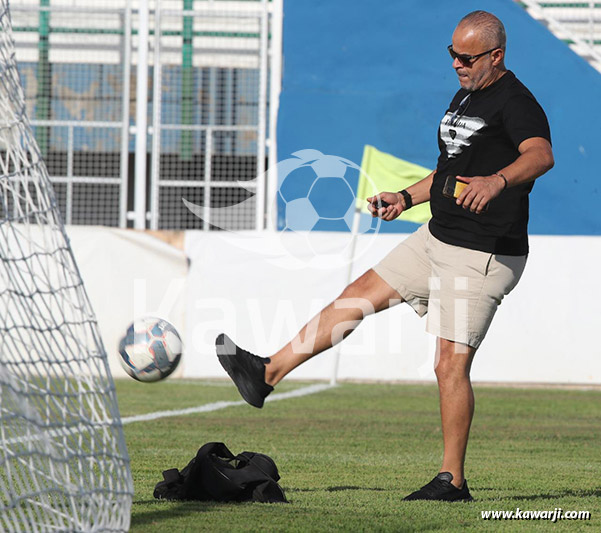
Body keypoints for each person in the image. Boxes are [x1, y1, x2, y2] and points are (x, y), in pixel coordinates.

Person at [216, 10, 553, 502]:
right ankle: (266, 373)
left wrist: (498, 180)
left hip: (482, 252)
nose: (457, 64)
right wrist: (405, 197)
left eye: (466, 57)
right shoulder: (466, 94)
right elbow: (447, 172)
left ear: (495, 56)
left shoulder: (517, 101)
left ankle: (451, 481)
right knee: (356, 298)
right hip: (439, 237)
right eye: (452, 55)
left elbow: (541, 154)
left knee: (448, 363)